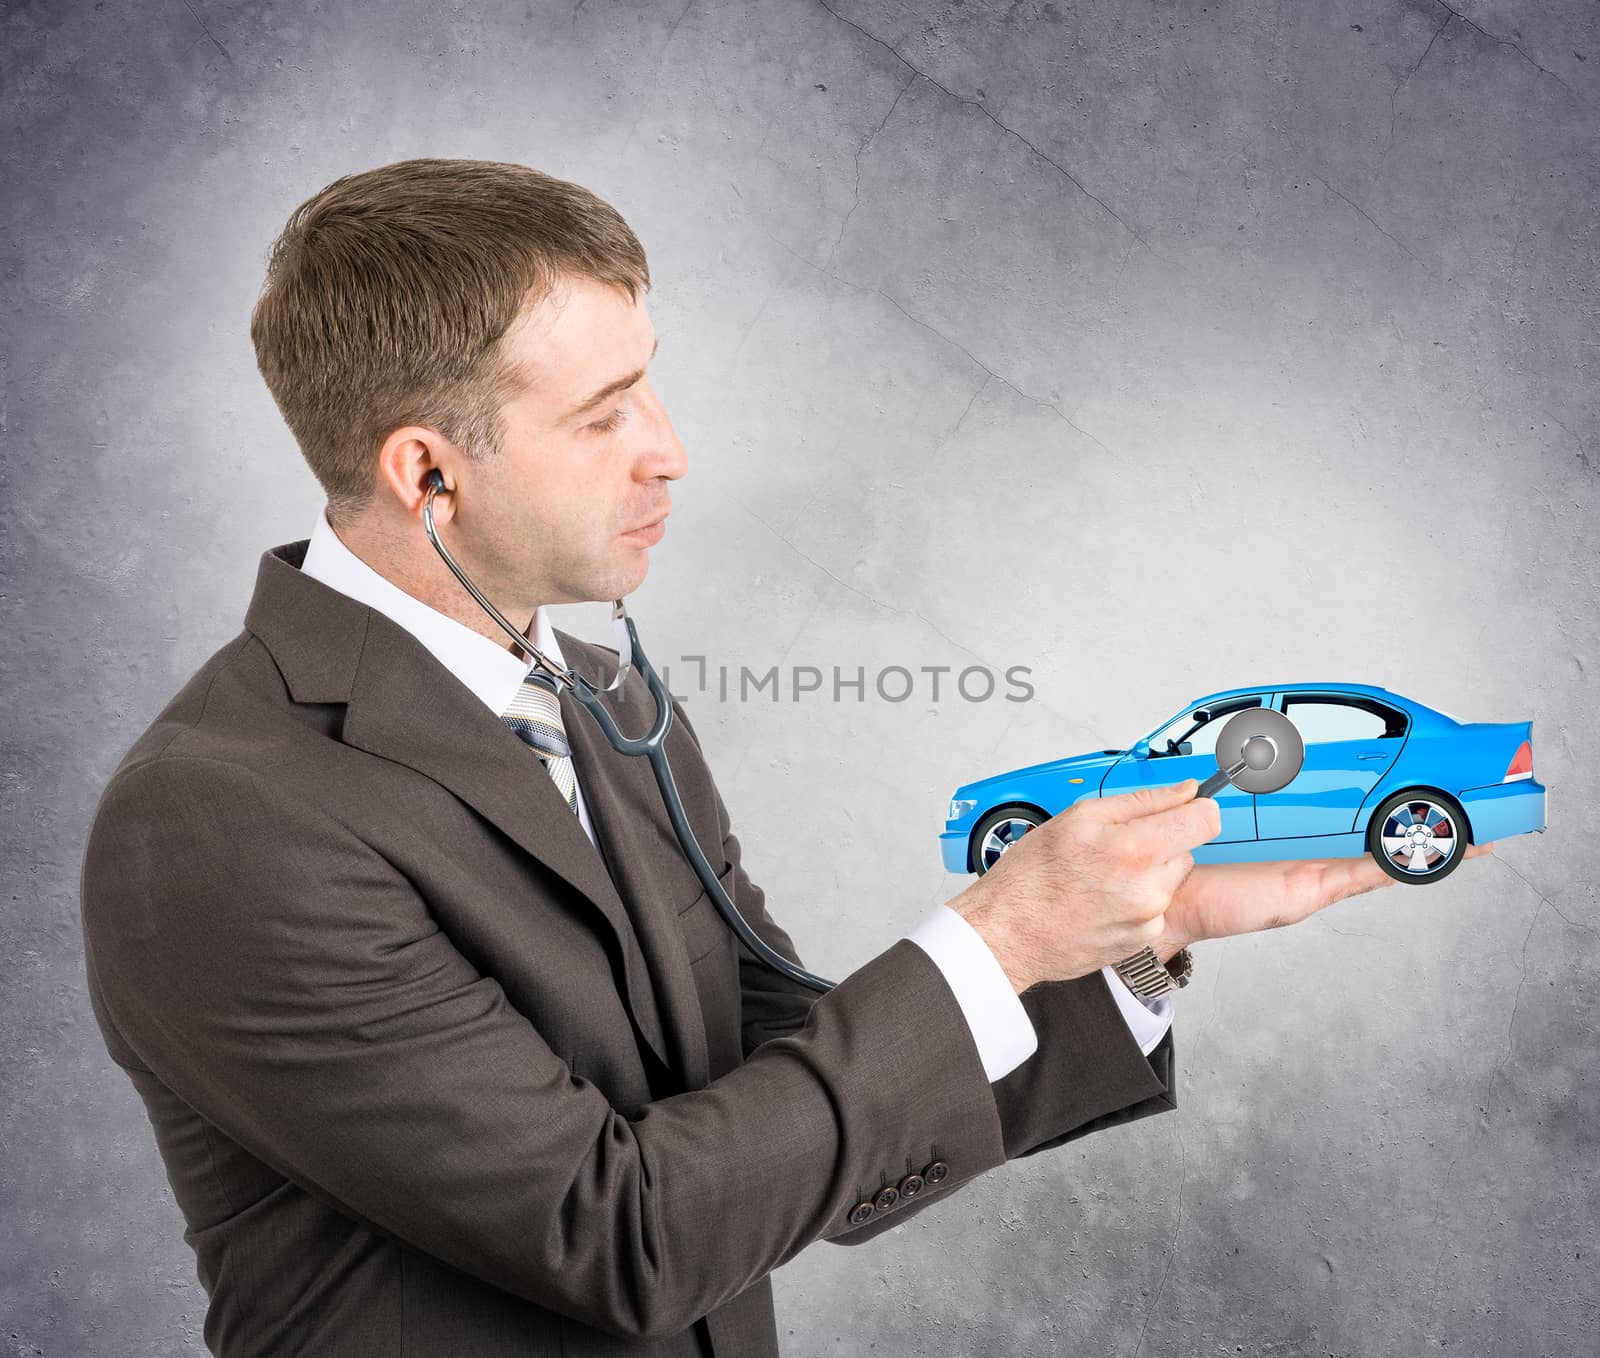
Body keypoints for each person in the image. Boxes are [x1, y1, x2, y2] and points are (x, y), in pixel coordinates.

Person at [77, 158, 1492, 1358]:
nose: (671, 450)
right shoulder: (220, 821)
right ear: (427, 475)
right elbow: (622, 1232)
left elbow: (807, 1115)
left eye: (653, 388)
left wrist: (1125, 937)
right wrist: (997, 940)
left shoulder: (606, 701)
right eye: (603, 413)